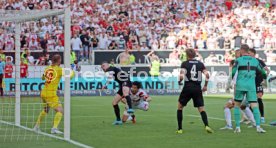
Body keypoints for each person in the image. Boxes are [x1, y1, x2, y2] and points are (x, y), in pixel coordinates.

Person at [34, 54, 74, 134]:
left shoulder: (47, 68)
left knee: (46, 110)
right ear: (59, 61)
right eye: (60, 59)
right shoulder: (59, 69)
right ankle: (54, 128)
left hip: (44, 92)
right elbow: (71, 76)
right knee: (60, 110)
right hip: (51, 94)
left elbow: (42, 78)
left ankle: (36, 126)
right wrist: (71, 70)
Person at [176, 48, 213, 134]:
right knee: (201, 108)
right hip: (197, 88)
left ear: (187, 55)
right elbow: (207, 74)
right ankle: (207, 125)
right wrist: (205, 86)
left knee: (180, 107)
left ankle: (180, 129)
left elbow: (181, 76)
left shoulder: (184, 63)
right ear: (194, 55)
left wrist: (179, 81)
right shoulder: (200, 64)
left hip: (188, 87)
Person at [231, 44, 267, 133]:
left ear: (241, 50)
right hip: (251, 86)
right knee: (254, 106)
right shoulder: (255, 60)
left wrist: (233, 78)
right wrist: (264, 77)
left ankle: (238, 127)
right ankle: (258, 127)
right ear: (248, 51)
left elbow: (234, 71)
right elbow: (263, 71)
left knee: (237, 105)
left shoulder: (238, 60)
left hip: (240, 85)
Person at [248, 48, 270, 123]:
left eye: (249, 53)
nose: (248, 54)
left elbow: (267, 70)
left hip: (258, 83)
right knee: (250, 100)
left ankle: (262, 116)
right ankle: (252, 118)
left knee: (259, 98)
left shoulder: (259, 61)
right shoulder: (248, 62)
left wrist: (264, 79)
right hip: (250, 83)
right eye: (248, 53)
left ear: (254, 53)